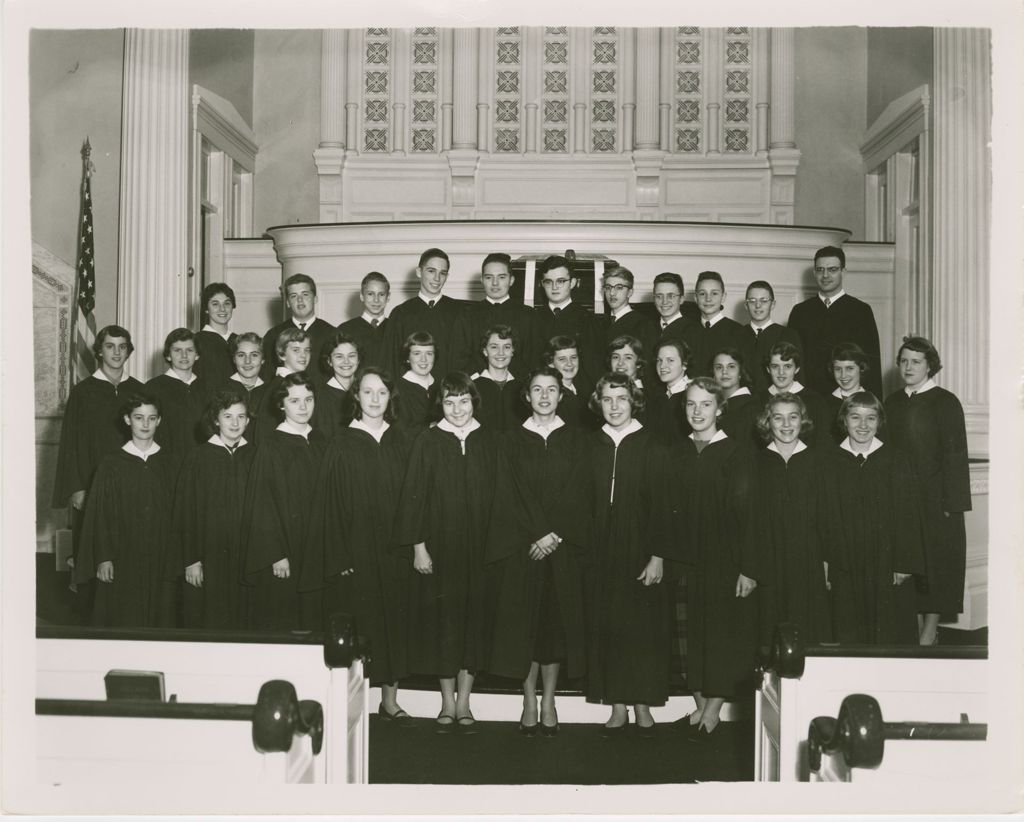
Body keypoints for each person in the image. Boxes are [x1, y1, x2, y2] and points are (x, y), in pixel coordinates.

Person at [302, 367, 414, 721]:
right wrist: (339, 556)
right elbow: (329, 505)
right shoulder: (342, 443)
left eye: (382, 392)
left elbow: (415, 499)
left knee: (395, 622)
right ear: (356, 398)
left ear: (390, 398)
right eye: (367, 392)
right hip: (357, 551)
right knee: (360, 623)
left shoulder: (403, 441)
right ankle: (357, 702)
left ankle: (390, 700)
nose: (375, 399)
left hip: (395, 549)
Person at [486, 367, 591, 736]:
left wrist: (555, 534)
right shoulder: (509, 440)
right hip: (524, 549)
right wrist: (537, 533)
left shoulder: (578, 439)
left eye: (551, 390)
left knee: (554, 628)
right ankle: (529, 697)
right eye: (537, 390)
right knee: (525, 628)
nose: (544, 396)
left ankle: (549, 699)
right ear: (526, 396)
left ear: (562, 395)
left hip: (560, 549)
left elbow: (580, 492)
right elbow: (507, 492)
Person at [395, 372, 499, 734]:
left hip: (480, 549)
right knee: (445, 624)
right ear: (441, 404)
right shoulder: (428, 440)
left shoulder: (489, 440)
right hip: (440, 549)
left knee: (472, 624)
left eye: (464, 401)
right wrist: (419, 547)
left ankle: (466, 702)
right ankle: (446, 703)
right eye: (450, 402)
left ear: (474, 402)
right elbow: (414, 497)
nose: (457, 409)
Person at [585, 372, 676, 737]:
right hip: (600, 546)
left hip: (640, 546)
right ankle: (617, 705)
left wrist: (657, 555)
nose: (615, 406)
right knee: (609, 623)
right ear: (599, 403)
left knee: (642, 628)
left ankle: (642, 704)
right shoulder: (591, 444)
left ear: (633, 401)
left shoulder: (653, 445)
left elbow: (665, 505)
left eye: (621, 398)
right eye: (607, 399)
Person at [671, 378, 759, 741]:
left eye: (706, 405)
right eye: (691, 404)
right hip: (684, 559)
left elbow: (750, 517)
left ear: (719, 409)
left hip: (724, 560)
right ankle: (699, 704)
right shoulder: (676, 451)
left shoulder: (736, 453)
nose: (697, 411)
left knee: (722, 634)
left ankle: (713, 709)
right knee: (688, 633)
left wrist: (748, 568)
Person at [883, 337, 971, 646]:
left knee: (935, 563)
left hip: (935, 500)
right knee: (909, 563)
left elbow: (956, 455)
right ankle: (916, 629)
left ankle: (930, 630)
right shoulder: (892, 402)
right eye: (904, 361)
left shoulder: (945, 402)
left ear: (930, 365)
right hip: (900, 498)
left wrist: (953, 501)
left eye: (916, 362)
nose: (908, 367)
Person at [823, 392, 924, 644]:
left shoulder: (896, 459)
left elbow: (908, 515)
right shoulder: (828, 462)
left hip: (886, 561)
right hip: (845, 560)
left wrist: (903, 562)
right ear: (844, 420)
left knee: (889, 628)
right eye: (855, 417)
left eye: (871, 418)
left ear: (880, 422)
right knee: (847, 626)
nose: (863, 425)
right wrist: (825, 562)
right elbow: (823, 517)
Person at [72, 393, 176, 628]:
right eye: (139, 418)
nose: (146, 424)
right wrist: (104, 557)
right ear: (128, 420)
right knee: (123, 616)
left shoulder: (170, 461)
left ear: (159, 420)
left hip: (161, 553)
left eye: (152, 418)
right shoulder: (111, 464)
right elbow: (100, 516)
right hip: (122, 554)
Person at [52, 325, 145, 576]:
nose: (116, 352)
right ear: (100, 351)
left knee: (128, 553)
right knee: (91, 558)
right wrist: (77, 488)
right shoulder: (83, 392)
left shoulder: (139, 391)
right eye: (110, 346)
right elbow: (72, 444)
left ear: (129, 351)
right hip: (92, 486)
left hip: (131, 486)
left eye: (122, 346)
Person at [242, 372, 328, 631]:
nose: (303, 407)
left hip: (318, 548)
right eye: (294, 401)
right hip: (286, 551)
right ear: (281, 405)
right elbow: (262, 504)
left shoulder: (322, 442)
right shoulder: (271, 446)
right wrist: (276, 553)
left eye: (308, 399)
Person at [753, 393, 832, 646]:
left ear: (803, 420)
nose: (786, 425)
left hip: (809, 558)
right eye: (778, 418)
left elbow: (829, 518)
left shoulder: (819, 461)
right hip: (768, 557)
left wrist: (827, 559)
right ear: (768, 422)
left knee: (809, 626)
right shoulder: (755, 462)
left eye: (793, 417)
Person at [174, 390, 254, 629]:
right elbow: (185, 511)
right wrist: (191, 559)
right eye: (228, 416)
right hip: (208, 555)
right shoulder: (198, 457)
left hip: (246, 556)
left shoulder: (256, 455)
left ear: (248, 420)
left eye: (241, 417)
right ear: (216, 420)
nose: (235, 423)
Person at [787, 246, 882, 397]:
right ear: (814, 273)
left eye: (832, 269)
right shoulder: (800, 312)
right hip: (809, 398)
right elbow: (791, 360)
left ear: (843, 272)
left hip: (849, 398)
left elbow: (872, 364)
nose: (825, 275)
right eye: (820, 270)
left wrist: (872, 403)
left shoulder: (861, 311)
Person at [452, 252, 543, 377]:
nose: (495, 283)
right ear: (482, 280)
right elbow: (460, 359)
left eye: (501, 277)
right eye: (489, 277)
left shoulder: (528, 315)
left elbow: (533, 360)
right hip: (477, 386)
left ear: (511, 280)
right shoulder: (468, 315)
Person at [383, 248, 463, 378]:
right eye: (431, 271)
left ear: (447, 276)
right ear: (419, 272)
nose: (437, 278)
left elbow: (463, 358)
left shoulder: (458, 311)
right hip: (410, 392)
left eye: (442, 273)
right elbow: (391, 362)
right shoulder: (401, 314)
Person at [144, 328, 210, 470]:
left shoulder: (208, 388)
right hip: (167, 465)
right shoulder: (153, 388)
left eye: (189, 350)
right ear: (168, 355)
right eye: (177, 350)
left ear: (197, 355)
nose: (184, 355)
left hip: (203, 465)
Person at [533, 255, 601, 382]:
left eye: (560, 281)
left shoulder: (587, 320)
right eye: (548, 282)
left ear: (573, 283)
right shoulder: (533, 318)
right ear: (542, 284)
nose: (554, 287)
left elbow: (592, 368)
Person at [262, 273, 336, 383]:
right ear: (287, 302)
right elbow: (267, 376)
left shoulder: (332, 334)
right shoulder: (274, 335)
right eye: (293, 296)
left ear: (315, 298)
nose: (300, 300)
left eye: (305, 294)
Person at [759, 342, 832, 450]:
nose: (781, 372)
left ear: (797, 369)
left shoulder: (815, 401)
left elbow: (823, 442)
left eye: (787, 366)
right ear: (768, 369)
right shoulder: (757, 401)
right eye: (775, 366)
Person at [738, 280, 803, 395]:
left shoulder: (788, 334)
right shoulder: (737, 334)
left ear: (772, 304)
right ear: (746, 305)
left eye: (764, 301)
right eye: (752, 301)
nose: (758, 305)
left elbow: (799, 375)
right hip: (745, 402)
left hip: (778, 400)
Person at [681, 271, 746, 378]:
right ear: (696, 298)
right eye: (702, 293)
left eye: (714, 293)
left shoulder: (738, 332)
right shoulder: (686, 331)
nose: (708, 299)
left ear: (723, 296)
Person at [256, 327, 312, 441]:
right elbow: (265, 434)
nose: (303, 355)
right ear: (282, 354)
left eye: (307, 350)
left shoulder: (299, 384)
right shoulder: (278, 387)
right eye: (296, 350)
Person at [471, 325, 527, 433]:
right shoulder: (472, 388)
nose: (501, 353)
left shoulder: (522, 388)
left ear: (512, 351)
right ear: (485, 351)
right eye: (494, 347)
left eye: (506, 347)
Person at [599, 266, 658, 361]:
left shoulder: (643, 324)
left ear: (630, 292)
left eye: (619, 288)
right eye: (608, 287)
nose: (612, 293)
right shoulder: (600, 323)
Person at [218, 332, 269, 442]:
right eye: (241, 355)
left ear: (263, 359)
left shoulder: (270, 392)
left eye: (254, 355)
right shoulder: (220, 391)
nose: (247, 361)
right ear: (234, 359)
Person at [337, 271, 391, 369]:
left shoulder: (395, 328)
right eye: (370, 294)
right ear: (362, 296)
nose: (376, 300)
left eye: (381, 294)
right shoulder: (345, 329)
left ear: (388, 297)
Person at [313, 331, 360, 438]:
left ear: (358, 360)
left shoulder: (367, 392)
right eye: (339, 357)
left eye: (351, 356)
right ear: (329, 361)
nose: (346, 362)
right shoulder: (320, 397)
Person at [542, 335, 596, 429]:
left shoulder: (585, 390)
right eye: (562, 359)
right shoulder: (553, 397)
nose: (570, 363)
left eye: (573, 357)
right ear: (550, 363)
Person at [645, 338, 693, 444]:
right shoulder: (658, 395)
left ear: (684, 364)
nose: (662, 366)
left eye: (670, 360)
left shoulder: (692, 394)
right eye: (659, 360)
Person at [712, 348, 759, 450]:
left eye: (731, 367)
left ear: (740, 373)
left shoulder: (750, 408)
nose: (724, 372)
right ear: (713, 374)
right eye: (719, 367)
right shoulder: (712, 406)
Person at [193, 282, 238, 390]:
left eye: (227, 303)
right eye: (215, 304)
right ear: (206, 309)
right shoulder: (196, 341)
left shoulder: (239, 341)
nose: (222, 309)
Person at [824, 343, 871, 443]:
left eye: (849, 368)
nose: (843, 375)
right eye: (838, 369)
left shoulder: (872, 402)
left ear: (861, 368)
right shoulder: (824, 404)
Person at [395, 331, 438, 435]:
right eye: (417, 353)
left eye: (429, 353)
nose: (423, 359)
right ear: (407, 358)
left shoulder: (440, 386)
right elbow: (401, 431)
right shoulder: (398, 389)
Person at [652, 271, 699, 341]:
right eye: (659, 296)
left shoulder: (694, 330)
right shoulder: (647, 328)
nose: (664, 301)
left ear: (681, 299)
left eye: (670, 296)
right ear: (654, 299)